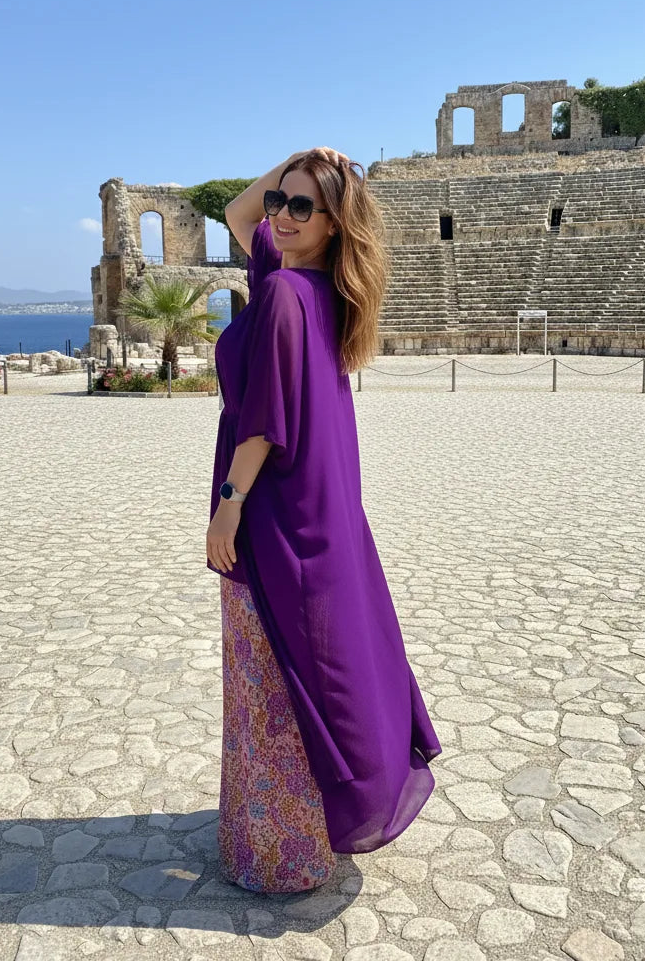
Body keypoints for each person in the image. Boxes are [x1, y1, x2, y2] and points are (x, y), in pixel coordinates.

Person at [206, 148, 442, 893]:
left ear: (335, 220)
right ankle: (294, 835)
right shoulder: (326, 288)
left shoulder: (282, 294)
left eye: (301, 205)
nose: (278, 214)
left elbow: (263, 423)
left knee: (267, 678)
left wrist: (228, 507)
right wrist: (297, 161)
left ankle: (277, 848)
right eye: (281, 200)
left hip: (272, 512)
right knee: (306, 672)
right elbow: (236, 215)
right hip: (323, 508)